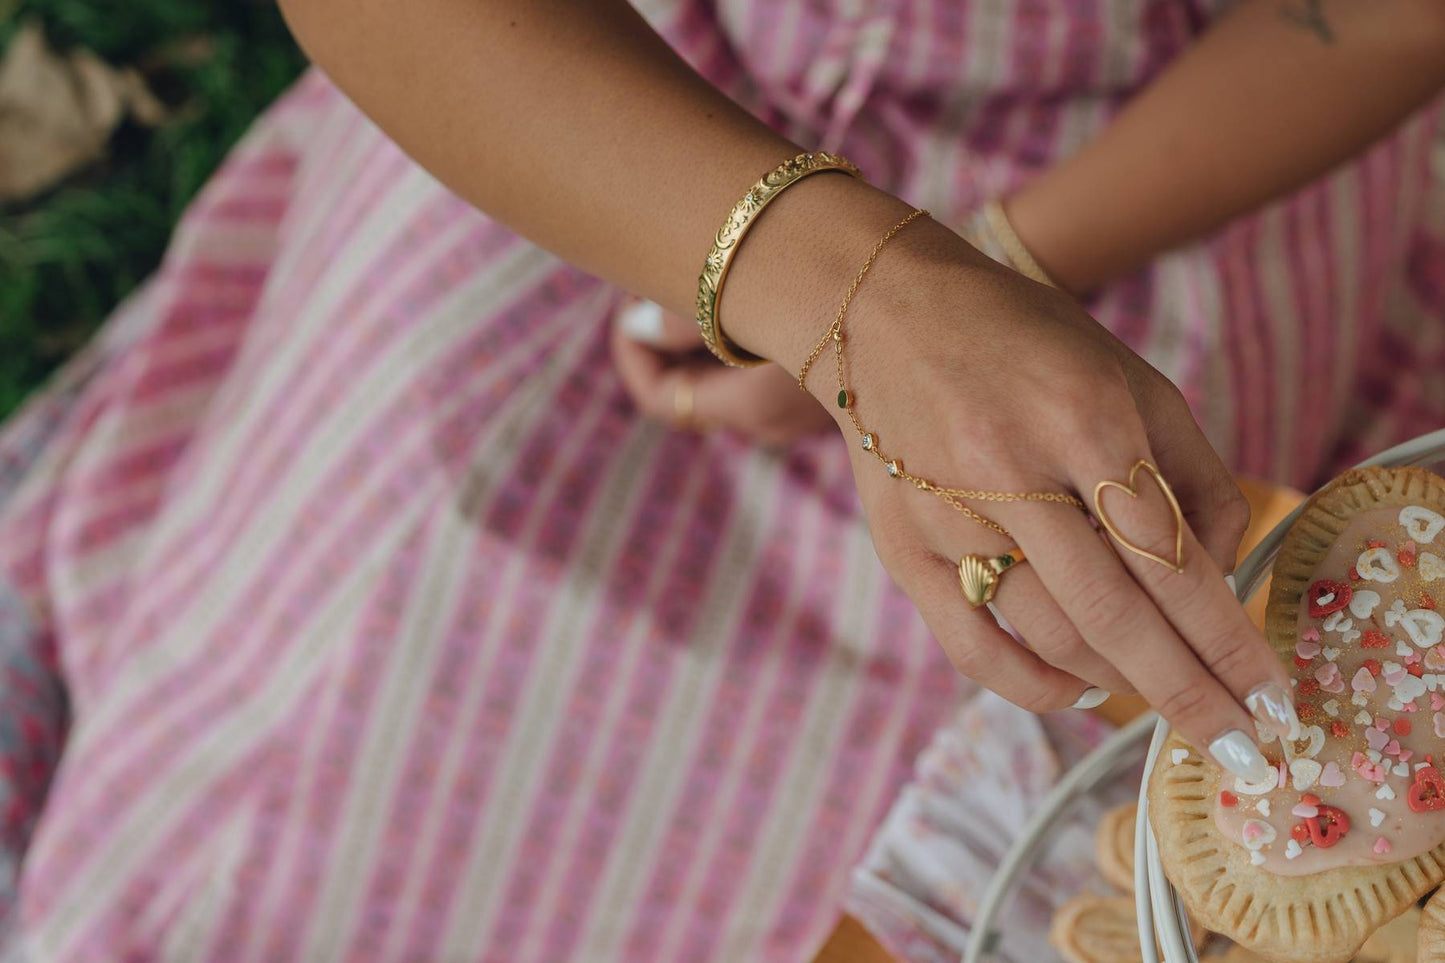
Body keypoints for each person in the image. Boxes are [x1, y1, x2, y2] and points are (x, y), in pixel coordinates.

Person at [0, 0, 1442, 958]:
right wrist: (847, 298)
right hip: (596, 104)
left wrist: (1004, 258)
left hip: (1161, 166)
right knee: (297, 809)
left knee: (955, 782)